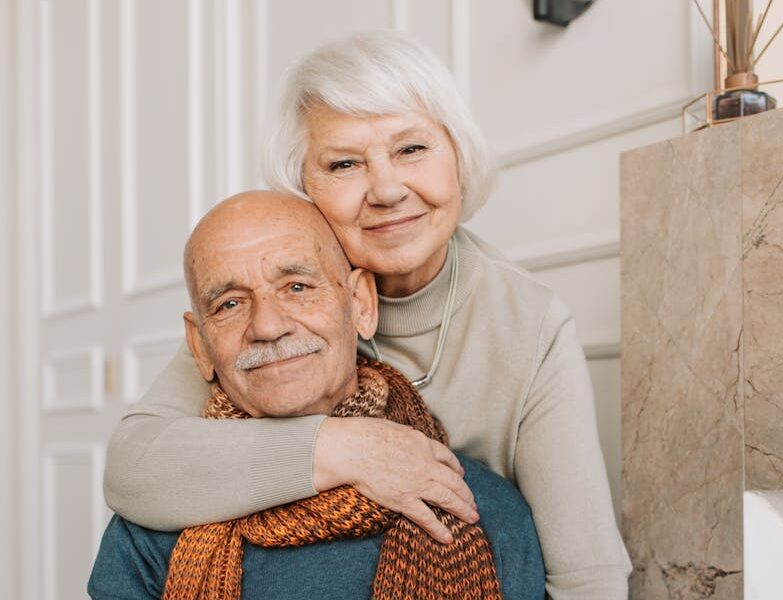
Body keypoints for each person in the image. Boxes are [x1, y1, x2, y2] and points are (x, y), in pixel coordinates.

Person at [104, 30, 631, 598]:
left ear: (459, 158)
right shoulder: (271, 314)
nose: (386, 190)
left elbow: (588, 577)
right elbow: (135, 465)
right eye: (344, 163)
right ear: (302, 188)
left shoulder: (531, 323)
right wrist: (343, 448)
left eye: (412, 149)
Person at [89, 191, 545, 599]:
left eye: (297, 287)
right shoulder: (156, 518)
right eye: (230, 304)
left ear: (361, 304)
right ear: (200, 346)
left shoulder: (481, 509)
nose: (268, 326)